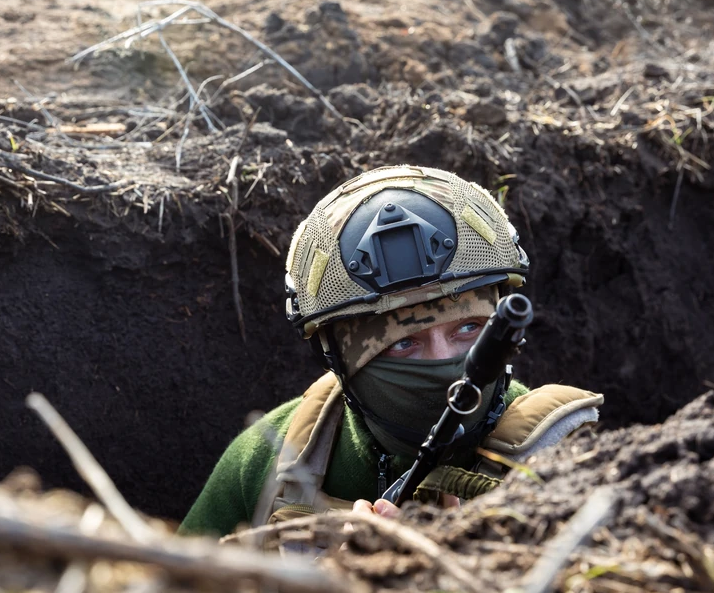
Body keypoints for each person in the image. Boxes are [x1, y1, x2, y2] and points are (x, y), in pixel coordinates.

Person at [178, 165, 603, 538]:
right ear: (338, 357)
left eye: (468, 329)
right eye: (404, 343)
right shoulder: (268, 460)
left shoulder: (558, 455)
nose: (444, 364)